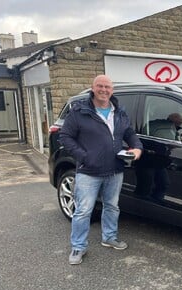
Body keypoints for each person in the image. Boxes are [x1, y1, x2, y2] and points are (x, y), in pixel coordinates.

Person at [59, 75, 143, 265]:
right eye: (100, 86)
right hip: (89, 171)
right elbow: (65, 136)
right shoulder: (79, 111)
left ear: (112, 90)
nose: (104, 90)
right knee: (83, 210)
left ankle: (109, 237)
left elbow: (129, 133)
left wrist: (137, 148)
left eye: (107, 87)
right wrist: (84, 156)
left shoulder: (119, 112)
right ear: (93, 88)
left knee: (112, 206)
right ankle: (78, 246)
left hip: (115, 169)